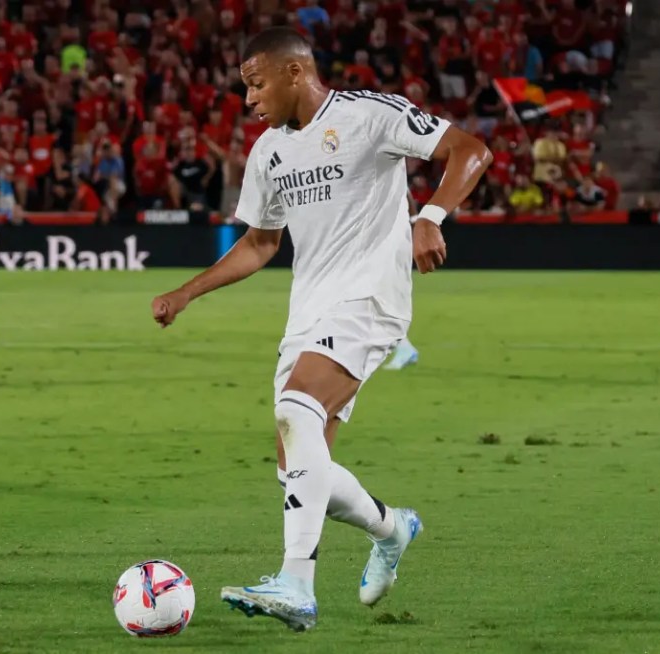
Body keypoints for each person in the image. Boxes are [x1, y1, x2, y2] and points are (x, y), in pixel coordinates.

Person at [150, 27, 491, 631]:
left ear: (293, 73)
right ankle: (392, 528)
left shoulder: (368, 115)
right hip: (308, 311)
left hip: (370, 299)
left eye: (255, 84)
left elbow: (470, 149)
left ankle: (296, 584)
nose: (249, 99)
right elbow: (259, 244)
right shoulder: (268, 153)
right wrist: (186, 292)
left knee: (297, 408)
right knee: (300, 468)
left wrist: (430, 215)